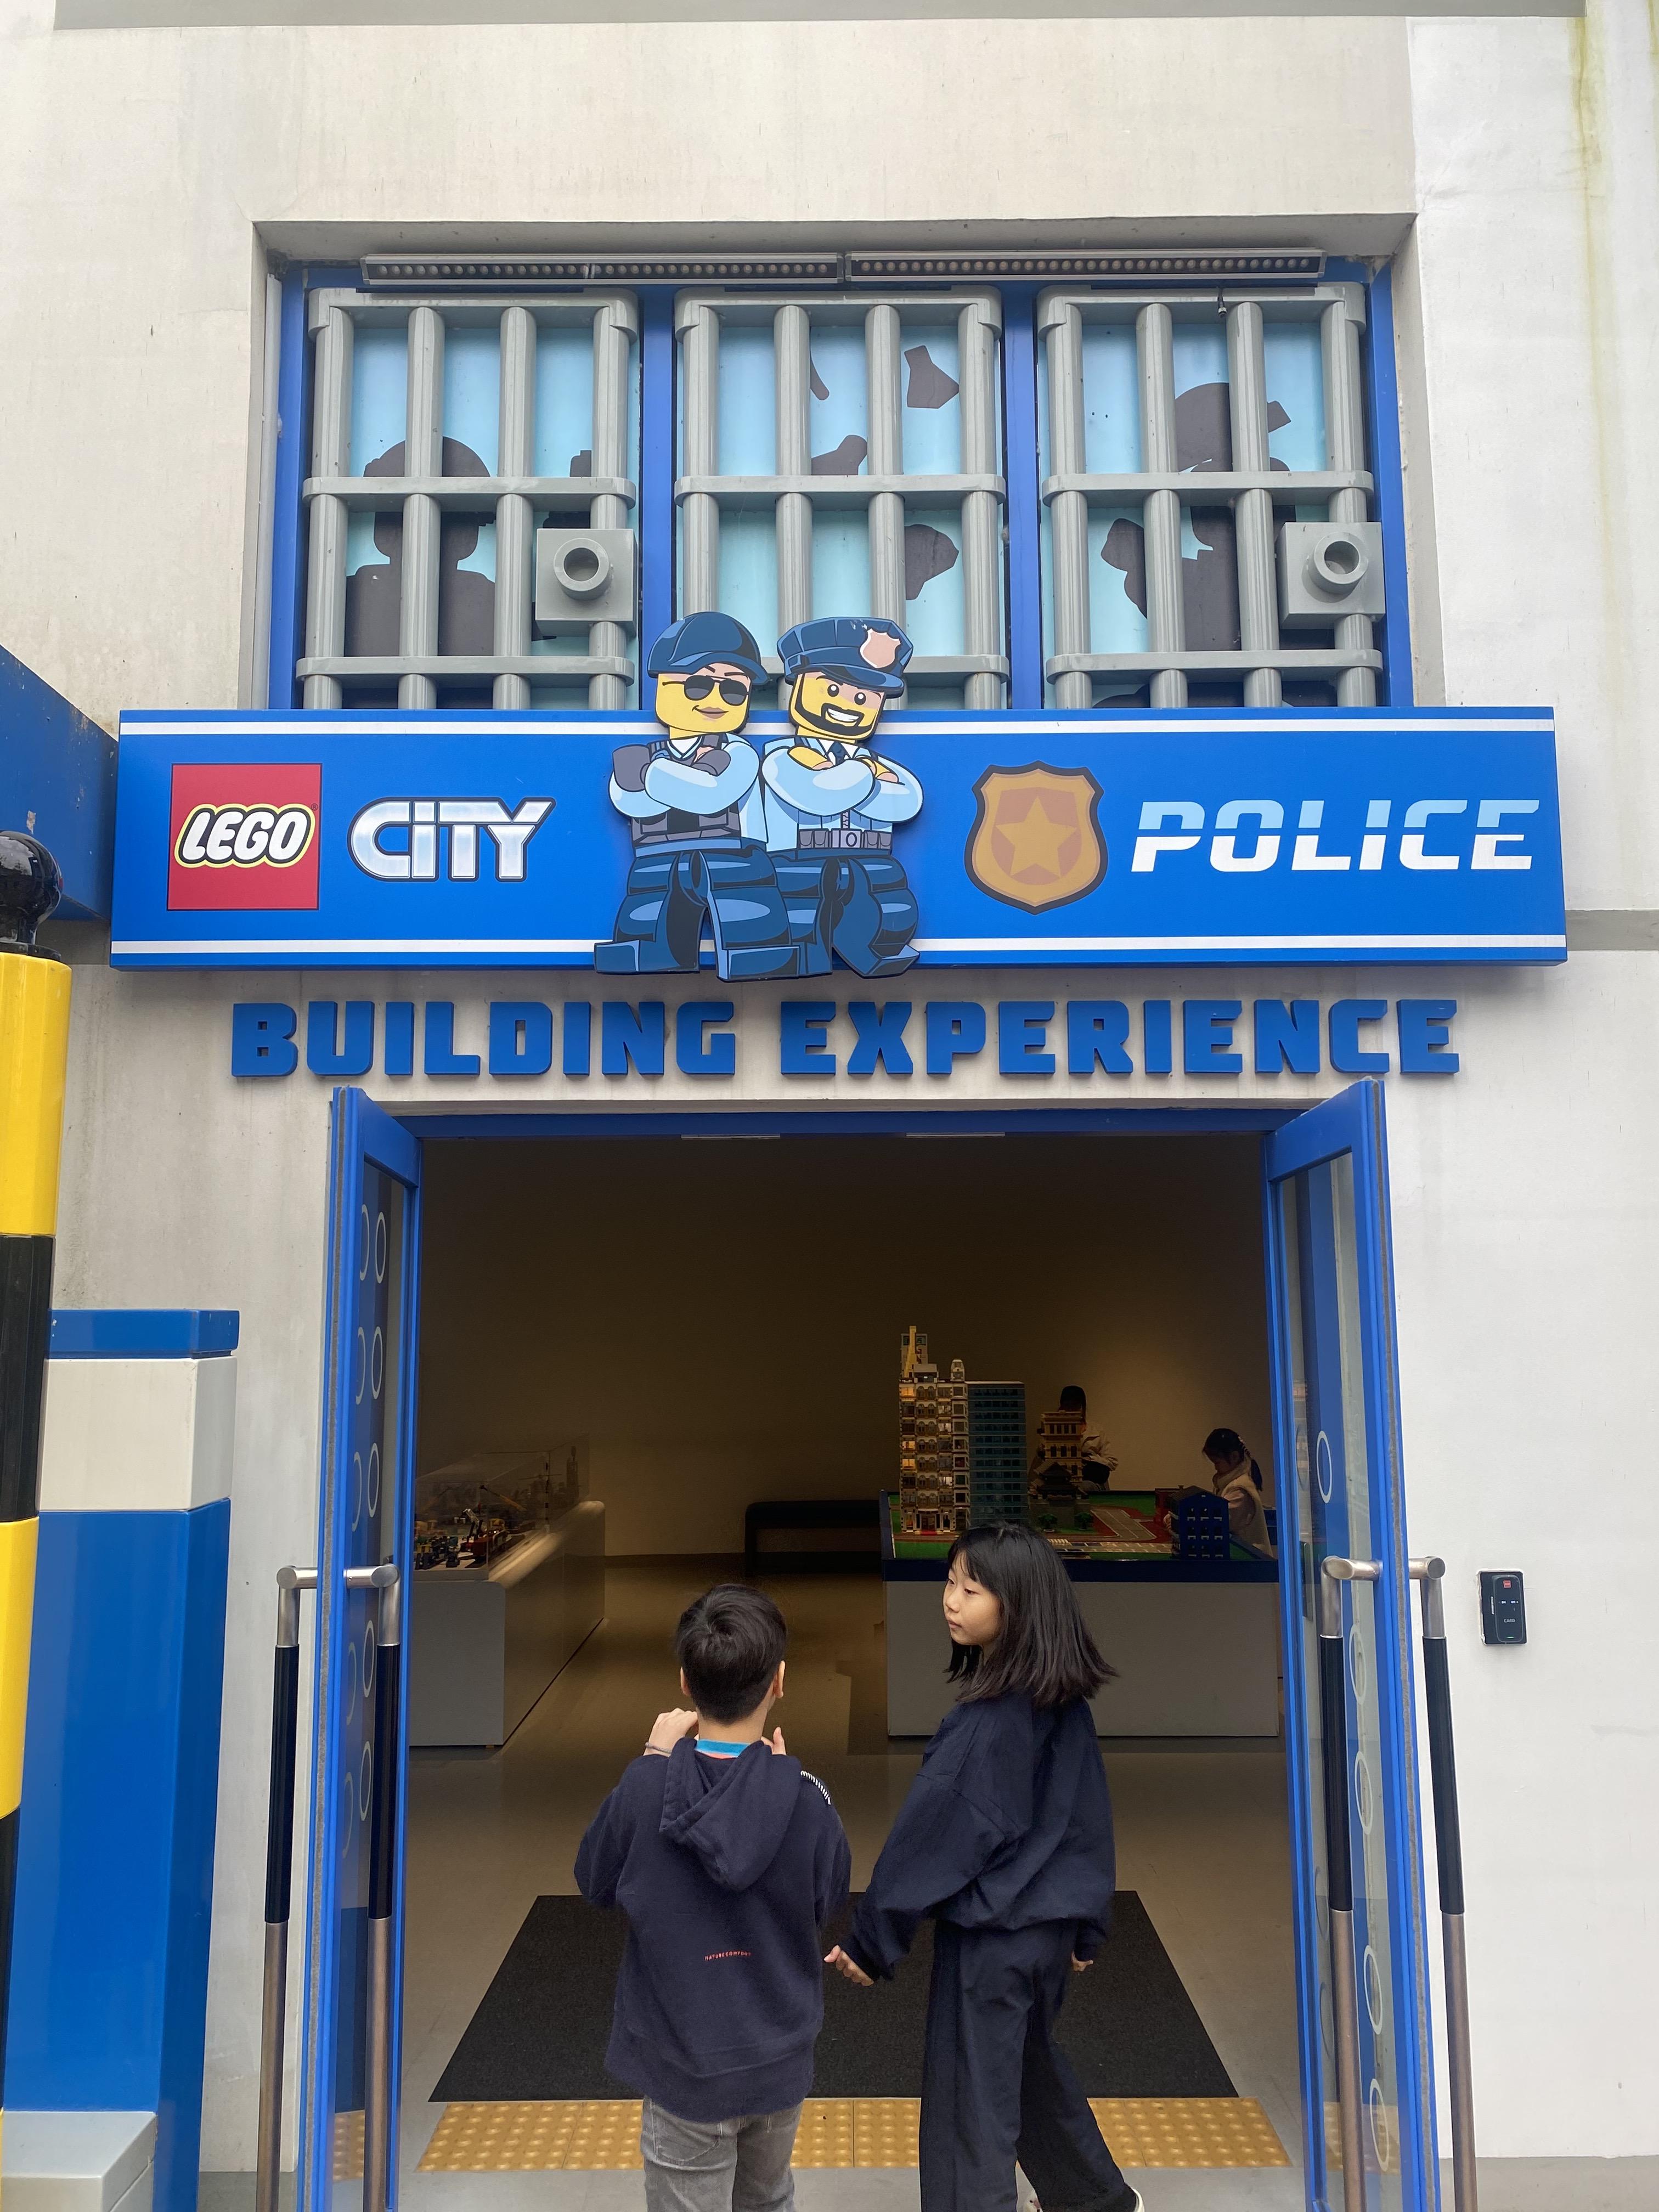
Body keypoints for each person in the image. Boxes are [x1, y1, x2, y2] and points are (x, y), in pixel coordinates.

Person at [825, 1523, 1143, 2212]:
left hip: (993, 1941)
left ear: (1017, 1606)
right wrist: (1088, 1924)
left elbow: (935, 1837)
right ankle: (1096, 2202)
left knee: (969, 2107)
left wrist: (872, 1939)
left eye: (971, 1590)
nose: (950, 1600)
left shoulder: (987, 1722)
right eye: (950, 1582)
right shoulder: (1064, 1702)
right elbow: (1088, 1818)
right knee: (1027, 2072)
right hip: (1049, 1934)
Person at [575, 1585, 851, 2212]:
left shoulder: (646, 1789)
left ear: (684, 1681)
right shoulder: (808, 1800)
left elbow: (594, 1880)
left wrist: (652, 1759)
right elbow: (829, 1899)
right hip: (778, 2061)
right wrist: (781, 1786)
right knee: (769, 2198)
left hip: (683, 2065)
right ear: (779, 1681)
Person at [594, 612, 800, 980]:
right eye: (698, 685)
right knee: (649, 921)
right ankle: (647, 954)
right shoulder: (647, 754)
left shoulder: (739, 752)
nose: (716, 699)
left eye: (733, 690)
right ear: (663, 685)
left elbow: (712, 794)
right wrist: (683, 777)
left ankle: (758, 958)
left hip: (734, 855)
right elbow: (633, 802)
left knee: (751, 923)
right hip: (656, 857)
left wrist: (654, 774)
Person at [1029, 1384, 1118, 1500]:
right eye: (1068, 1406)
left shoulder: (1096, 1430)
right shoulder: (1051, 1431)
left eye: (1075, 1406)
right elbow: (1040, 1463)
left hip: (1091, 1479)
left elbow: (1112, 1462)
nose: (1071, 1410)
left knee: (1082, 1487)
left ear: (1082, 1407)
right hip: (1061, 1479)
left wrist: (1088, 1459)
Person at [1202, 1427, 1274, 1556]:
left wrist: (1182, 1522)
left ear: (1234, 1457)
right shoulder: (1232, 1484)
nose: (1215, 1468)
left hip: (1251, 1560)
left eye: (1217, 1462)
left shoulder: (1240, 1490)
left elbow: (1218, 1522)